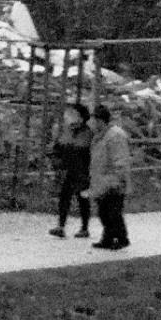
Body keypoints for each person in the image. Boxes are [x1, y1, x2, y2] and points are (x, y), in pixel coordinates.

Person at [87, 104, 133, 250]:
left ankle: (121, 238)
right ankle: (108, 238)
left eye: (94, 120)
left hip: (114, 181)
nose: (92, 123)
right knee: (103, 211)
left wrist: (118, 178)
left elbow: (120, 158)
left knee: (113, 212)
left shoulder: (115, 136)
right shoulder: (99, 136)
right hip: (102, 181)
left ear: (101, 121)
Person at [48, 102, 95, 238]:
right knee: (64, 197)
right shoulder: (66, 131)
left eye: (72, 114)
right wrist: (56, 161)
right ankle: (61, 226)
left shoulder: (88, 134)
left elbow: (92, 154)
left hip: (83, 172)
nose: (68, 116)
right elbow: (57, 148)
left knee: (82, 199)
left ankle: (84, 228)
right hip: (68, 170)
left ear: (81, 117)